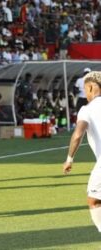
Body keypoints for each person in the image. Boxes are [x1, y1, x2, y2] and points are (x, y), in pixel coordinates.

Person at [63, 71, 101, 233]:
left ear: (91, 87)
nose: (85, 94)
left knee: (94, 200)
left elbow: (77, 135)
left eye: (85, 90)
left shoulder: (87, 109)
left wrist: (69, 159)